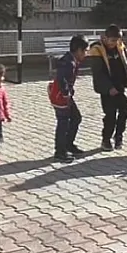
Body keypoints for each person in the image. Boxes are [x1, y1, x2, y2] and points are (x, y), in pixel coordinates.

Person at [87, 25, 127, 151]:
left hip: (120, 86)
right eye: (112, 40)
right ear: (105, 38)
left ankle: (119, 136)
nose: (115, 43)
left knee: (125, 110)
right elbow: (98, 72)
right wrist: (109, 88)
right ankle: (106, 140)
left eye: (117, 40)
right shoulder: (96, 49)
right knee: (110, 115)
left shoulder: (119, 45)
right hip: (107, 89)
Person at [49, 35, 89, 163]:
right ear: (78, 50)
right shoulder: (68, 63)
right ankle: (60, 151)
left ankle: (68, 144)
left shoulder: (71, 60)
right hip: (61, 97)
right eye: (84, 51)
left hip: (66, 96)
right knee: (63, 123)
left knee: (76, 117)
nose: (86, 54)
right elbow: (61, 78)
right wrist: (66, 93)